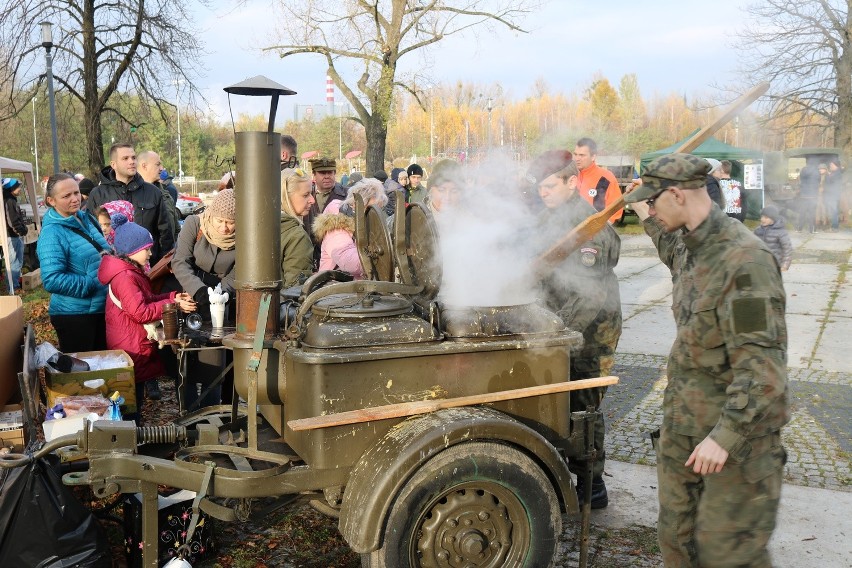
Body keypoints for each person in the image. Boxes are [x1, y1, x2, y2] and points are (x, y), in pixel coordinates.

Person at [624, 153, 789, 567]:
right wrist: (645, 211)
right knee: (677, 543)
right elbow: (671, 249)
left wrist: (725, 435)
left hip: (732, 442)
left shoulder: (744, 260)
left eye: (656, 202)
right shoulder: (690, 245)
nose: (654, 211)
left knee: (728, 554)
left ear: (677, 194)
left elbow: (763, 368)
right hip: (685, 430)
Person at [526, 150, 622, 510]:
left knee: (583, 405)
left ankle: (592, 484)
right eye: (540, 187)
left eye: (550, 185)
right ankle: (561, 466)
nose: (543, 192)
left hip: (590, 330)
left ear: (571, 182)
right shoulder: (547, 218)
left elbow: (589, 295)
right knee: (556, 400)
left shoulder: (589, 226)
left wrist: (558, 336)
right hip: (555, 323)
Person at [97, 214, 195, 421]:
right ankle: (133, 433)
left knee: (134, 393)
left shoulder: (130, 271)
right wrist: (173, 305)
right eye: (147, 249)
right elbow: (140, 312)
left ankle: (134, 430)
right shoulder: (125, 277)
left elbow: (147, 299)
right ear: (132, 251)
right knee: (132, 397)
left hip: (130, 340)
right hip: (131, 345)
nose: (150, 253)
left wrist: (171, 296)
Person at [171, 188, 237, 409]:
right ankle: (186, 413)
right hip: (191, 293)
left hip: (222, 300)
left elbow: (241, 270)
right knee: (187, 360)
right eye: (220, 220)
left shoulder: (244, 237)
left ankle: (210, 412)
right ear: (211, 215)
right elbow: (180, 261)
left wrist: (220, 294)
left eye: (230, 222)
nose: (224, 227)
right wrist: (198, 290)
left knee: (214, 361)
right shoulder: (194, 224)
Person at [37, 173, 109, 353]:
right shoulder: (52, 233)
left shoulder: (88, 219)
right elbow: (51, 279)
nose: (75, 199)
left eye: (76, 193)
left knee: (103, 369)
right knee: (83, 374)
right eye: (66, 196)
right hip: (75, 316)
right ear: (51, 201)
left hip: (100, 309)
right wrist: (91, 284)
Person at [86, 143, 174, 265]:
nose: (132, 161)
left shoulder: (153, 192)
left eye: (133, 157)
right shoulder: (98, 194)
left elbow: (165, 235)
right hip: (113, 269)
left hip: (149, 268)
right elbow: (91, 233)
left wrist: (161, 268)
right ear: (113, 164)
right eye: (125, 158)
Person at [312, 178, 387, 279]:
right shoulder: (336, 226)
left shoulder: (363, 224)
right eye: (372, 210)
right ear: (356, 205)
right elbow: (349, 262)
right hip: (334, 288)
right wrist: (385, 254)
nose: (376, 216)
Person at [279, 168, 316, 288]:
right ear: (286, 197)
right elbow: (296, 290)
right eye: (306, 195)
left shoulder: (257, 227)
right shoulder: (297, 236)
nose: (312, 200)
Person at [574, 137, 623, 223]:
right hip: (572, 233)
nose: (577, 159)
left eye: (582, 155)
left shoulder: (606, 178)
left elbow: (616, 211)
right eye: (575, 154)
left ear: (593, 157)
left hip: (598, 233)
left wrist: (599, 230)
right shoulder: (571, 177)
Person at [138, 150, 179, 241]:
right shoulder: (133, 194)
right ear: (144, 166)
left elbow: (176, 229)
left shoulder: (165, 194)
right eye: (158, 164)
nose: (162, 168)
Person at [2, 178, 28, 292]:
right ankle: (13, 288)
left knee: (17, 262)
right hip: (11, 236)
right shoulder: (9, 201)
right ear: (12, 189)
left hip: (14, 235)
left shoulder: (11, 199)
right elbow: (12, 220)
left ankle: (15, 285)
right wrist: (20, 231)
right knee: (14, 263)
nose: (20, 189)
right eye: (18, 187)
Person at [754, 205, 793, 272]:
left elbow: (787, 249)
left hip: (775, 265)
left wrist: (785, 265)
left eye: (766, 218)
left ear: (773, 219)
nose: (762, 219)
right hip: (760, 264)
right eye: (762, 217)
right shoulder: (757, 230)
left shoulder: (781, 232)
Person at [796, 161, 819, 233]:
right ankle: (812, 230)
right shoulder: (816, 171)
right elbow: (818, 181)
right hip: (813, 195)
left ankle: (799, 228)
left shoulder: (803, 170)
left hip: (804, 195)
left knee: (802, 212)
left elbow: (801, 181)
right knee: (812, 213)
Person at [823, 159, 843, 232]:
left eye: (831, 165)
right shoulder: (835, 173)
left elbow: (832, 184)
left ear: (836, 165)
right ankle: (834, 227)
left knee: (834, 211)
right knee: (833, 211)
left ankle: (834, 228)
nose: (830, 166)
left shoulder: (837, 174)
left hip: (833, 195)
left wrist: (828, 175)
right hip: (832, 195)